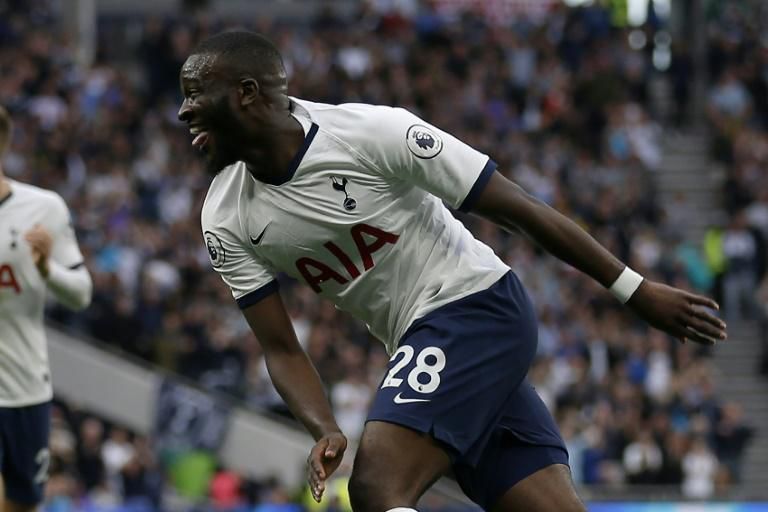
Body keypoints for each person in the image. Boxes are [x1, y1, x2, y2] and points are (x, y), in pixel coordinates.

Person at [179, 32, 727, 512]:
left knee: (376, 486)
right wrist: (323, 426)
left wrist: (634, 289)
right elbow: (280, 348)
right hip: (431, 342)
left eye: (196, 95)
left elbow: (519, 208)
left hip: (476, 307)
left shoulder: (371, 133)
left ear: (247, 93)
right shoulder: (223, 216)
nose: (183, 113)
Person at [0, 105, 93, 511]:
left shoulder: (43, 209)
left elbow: (81, 293)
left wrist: (45, 269)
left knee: (22, 504)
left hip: (24, 386)